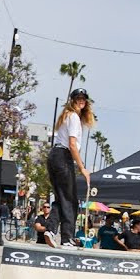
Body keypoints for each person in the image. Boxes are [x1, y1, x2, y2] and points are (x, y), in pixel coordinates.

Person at [46, 88, 94, 249]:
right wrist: (82, 168)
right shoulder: (73, 117)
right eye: (78, 98)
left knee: (62, 198)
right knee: (71, 201)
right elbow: (72, 145)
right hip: (63, 157)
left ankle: (50, 230)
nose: (81, 101)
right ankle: (67, 239)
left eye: (83, 99)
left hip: (54, 156)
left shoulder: (67, 116)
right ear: (72, 100)